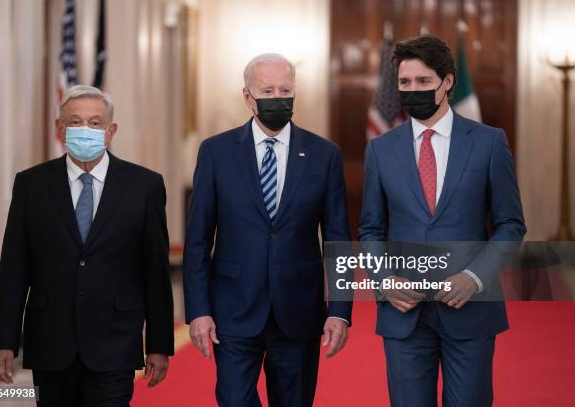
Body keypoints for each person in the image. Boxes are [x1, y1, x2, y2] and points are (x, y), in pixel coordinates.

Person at [358, 35, 526, 406]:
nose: (412, 90)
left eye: (423, 82)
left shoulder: (489, 142)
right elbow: (370, 229)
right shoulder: (381, 149)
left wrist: (474, 278)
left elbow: (511, 225)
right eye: (405, 83)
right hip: (404, 314)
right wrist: (384, 280)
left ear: (448, 81)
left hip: (470, 310)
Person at [183, 53, 352, 406]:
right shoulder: (216, 152)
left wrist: (339, 310)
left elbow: (338, 240)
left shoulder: (324, 155)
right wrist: (198, 310)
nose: (278, 97)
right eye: (268, 89)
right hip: (233, 309)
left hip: (299, 312)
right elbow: (198, 240)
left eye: (285, 89)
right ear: (248, 96)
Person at [0, 85, 174, 406]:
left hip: (115, 341)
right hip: (51, 342)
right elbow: (14, 268)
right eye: (75, 122)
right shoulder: (32, 184)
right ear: (59, 129)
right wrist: (4, 340)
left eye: (95, 122)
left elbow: (155, 271)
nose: (85, 130)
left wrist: (158, 343)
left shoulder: (144, 186)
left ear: (111, 130)